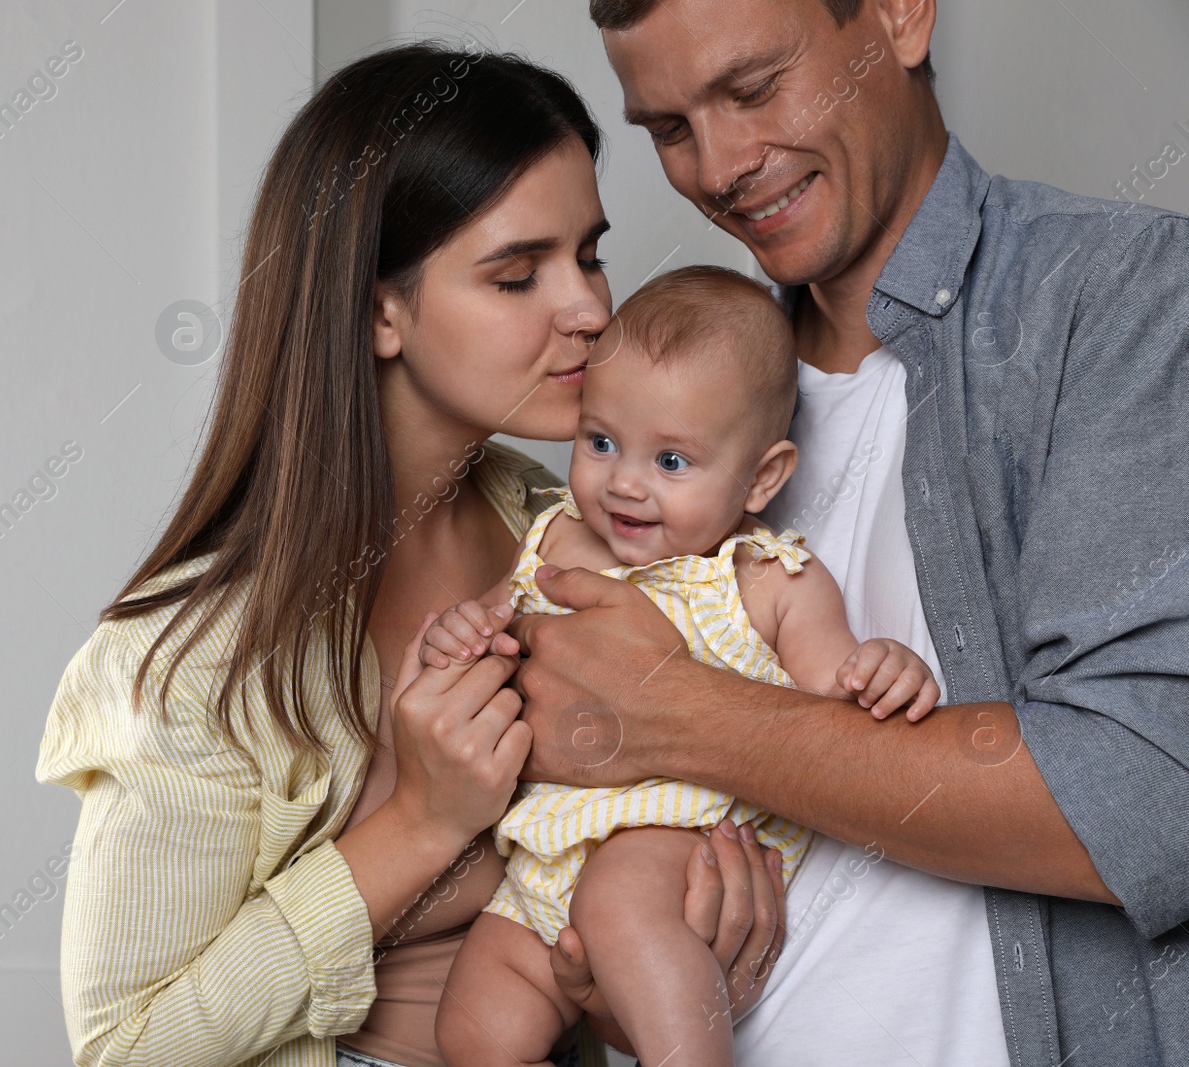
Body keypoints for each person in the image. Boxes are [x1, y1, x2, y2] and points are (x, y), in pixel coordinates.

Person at [35, 44, 789, 1067]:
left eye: (590, 255)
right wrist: (422, 822)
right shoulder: (193, 655)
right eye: (517, 274)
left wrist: (678, 954)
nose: (589, 311)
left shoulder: (587, 535)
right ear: (381, 308)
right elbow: (129, 1048)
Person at [506, 1, 1189, 1063]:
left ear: (902, 15)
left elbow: (1146, 791)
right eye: (669, 128)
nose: (721, 165)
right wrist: (612, 970)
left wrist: (672, 708)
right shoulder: (675, 406)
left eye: (753, 88)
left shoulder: (1117, 299)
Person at [425, 266, 940, 1067]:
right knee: (472, 1026)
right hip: (544, 852)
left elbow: (839, 698)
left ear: (763, 477)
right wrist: (462, 631)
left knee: (623, 911)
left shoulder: (767, 578)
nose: (624, 482)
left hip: (678, 833)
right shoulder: (555, 538)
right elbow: (495, 623)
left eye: (672, 461)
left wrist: (884, 667)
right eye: (601, 443)